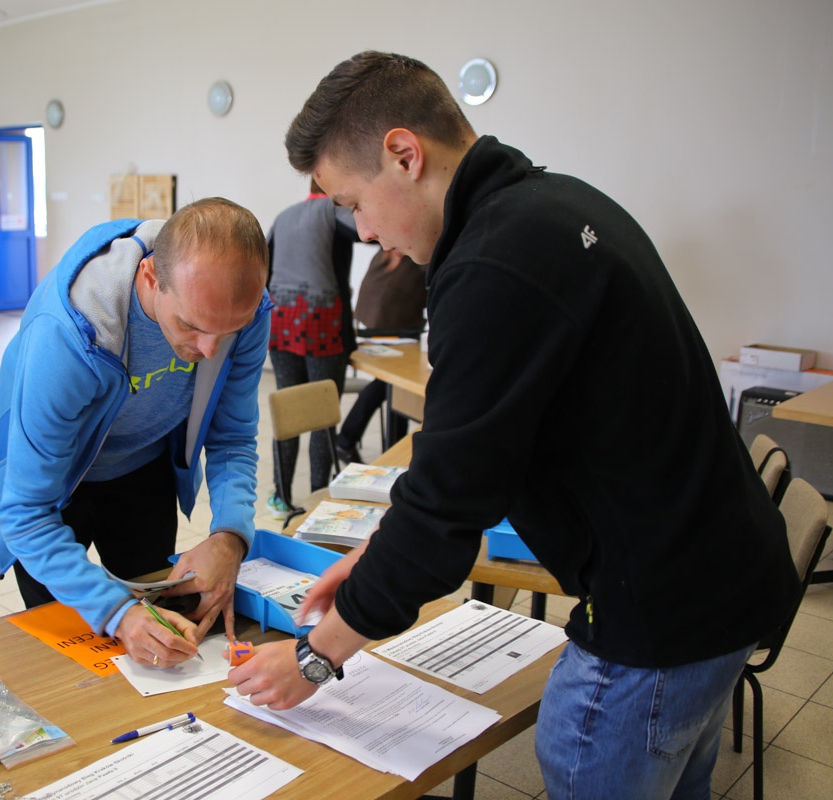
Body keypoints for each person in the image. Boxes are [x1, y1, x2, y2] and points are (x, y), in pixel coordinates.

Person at [227, 52, 801, 800]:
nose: (362, 233)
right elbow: (483, 450)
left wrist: (316, 657)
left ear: (404, 154)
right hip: (720, 582)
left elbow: (446, 512)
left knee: (581, 745)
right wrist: (373, 555)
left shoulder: (492, 265)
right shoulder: (555, 203)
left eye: (353, 202)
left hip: (659, 613)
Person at [0, 198, 270, 668]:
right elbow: (26, 514)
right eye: (191, 326)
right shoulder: (70, 333)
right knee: (68, 658)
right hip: (57, 488)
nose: (209, 350)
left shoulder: (242, 308)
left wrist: (229, 536)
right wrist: (117, 613)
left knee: (159, 633)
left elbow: (233, 436)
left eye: (228, 332)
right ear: (151, 277)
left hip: (143, 467)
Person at [264, 179, 358, 520]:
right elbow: (372, 231)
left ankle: (281, 496)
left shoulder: (284, 216)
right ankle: (320, 497)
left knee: (288, 410)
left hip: (281, 319)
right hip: (323, 322)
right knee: (322, 414)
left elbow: (264, 264)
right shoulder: (335, 211)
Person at [335, 248, 426, 462]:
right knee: (391, 383)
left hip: (371, 327)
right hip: (390, 330)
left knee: (392, 385)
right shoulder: (415, 255)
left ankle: (384, 445)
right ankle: (348, 439)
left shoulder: (386, 251)